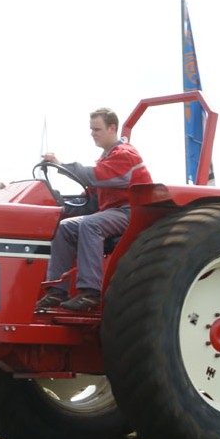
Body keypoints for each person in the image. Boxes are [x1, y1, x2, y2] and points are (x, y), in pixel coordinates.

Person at [36, 107, 153, 311]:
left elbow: (94, 176)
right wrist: (58, 203)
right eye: (91, 129)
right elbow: (91, 198)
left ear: (112, 128)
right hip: (112, 212)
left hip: (132, 212)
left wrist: (61, 165)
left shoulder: (125, 155)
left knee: (90, 225)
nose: (92, 133)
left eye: (97, 129)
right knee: (63, 227)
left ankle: (90, 293)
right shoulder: (106, 159)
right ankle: (56, 290)